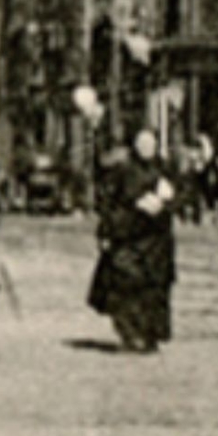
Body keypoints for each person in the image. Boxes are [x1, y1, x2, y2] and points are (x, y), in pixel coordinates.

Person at [87, 124, 180, 351]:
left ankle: (151, 334)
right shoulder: (122, 170)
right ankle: (131, 334)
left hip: (157, 240)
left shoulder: (164, 168)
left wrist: (166, 201)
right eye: (142, 143)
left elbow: (181, 195)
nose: (146, 147)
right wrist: (109, 229)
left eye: (151, 143)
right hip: (128, 237)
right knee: (127, 287)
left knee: (155, 289)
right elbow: (107, 202)